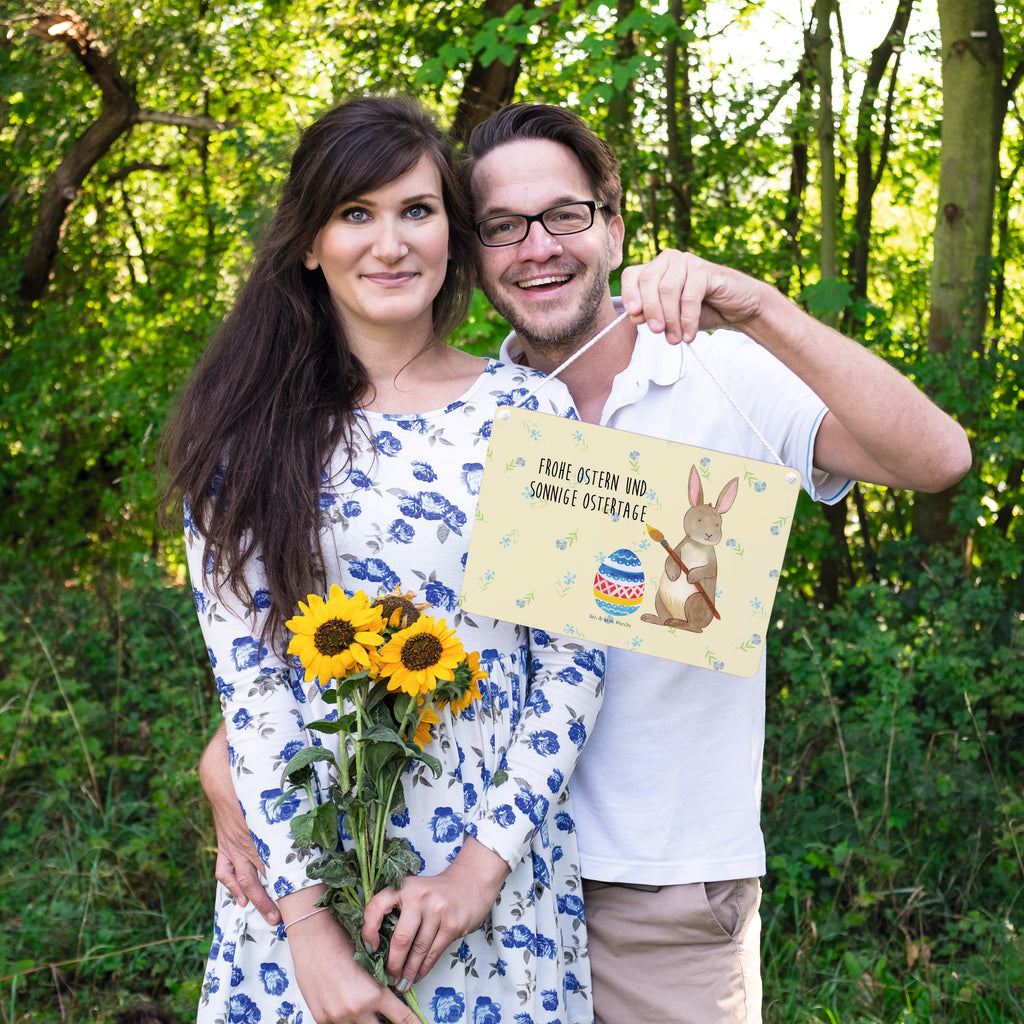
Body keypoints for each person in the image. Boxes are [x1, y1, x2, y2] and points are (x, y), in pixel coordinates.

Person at [202, 102, 972, 1024]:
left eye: (565, 215)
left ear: (612, 225)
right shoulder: (464, 414)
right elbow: (335, 633)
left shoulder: (713, 372)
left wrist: (759, 306)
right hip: (431, 876)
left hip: (653, 887)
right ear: (474, 250)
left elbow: (938, 461)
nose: (537, 247)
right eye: (502, 226)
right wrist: (234, 770)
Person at [163, 96, 608, 1024]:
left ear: (452, 230)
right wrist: (311, 937)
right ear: (309, 243)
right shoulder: (244, 437)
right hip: (302, 886)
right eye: (355, 214)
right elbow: (253, 692)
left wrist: (478, 874)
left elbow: (573, 663)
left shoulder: (533, 414)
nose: (391, 243)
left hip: (492, 887)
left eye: (417, 210)